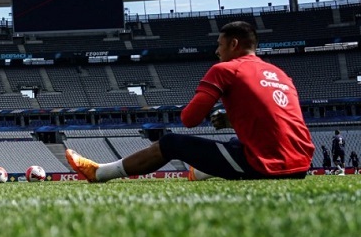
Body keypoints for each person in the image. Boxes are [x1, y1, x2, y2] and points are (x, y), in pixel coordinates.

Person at [66, 21, 314, 182]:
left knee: (172, 142)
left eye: (220, 45)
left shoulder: (225, 69)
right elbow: (277, 117)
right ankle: (203, 172)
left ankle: (100, 173)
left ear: (233, 44)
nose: (217, 51)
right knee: (235, 140)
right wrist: (232, 118)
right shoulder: (280, 74)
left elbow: (189, 119)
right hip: (301, 165)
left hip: (266, 167)